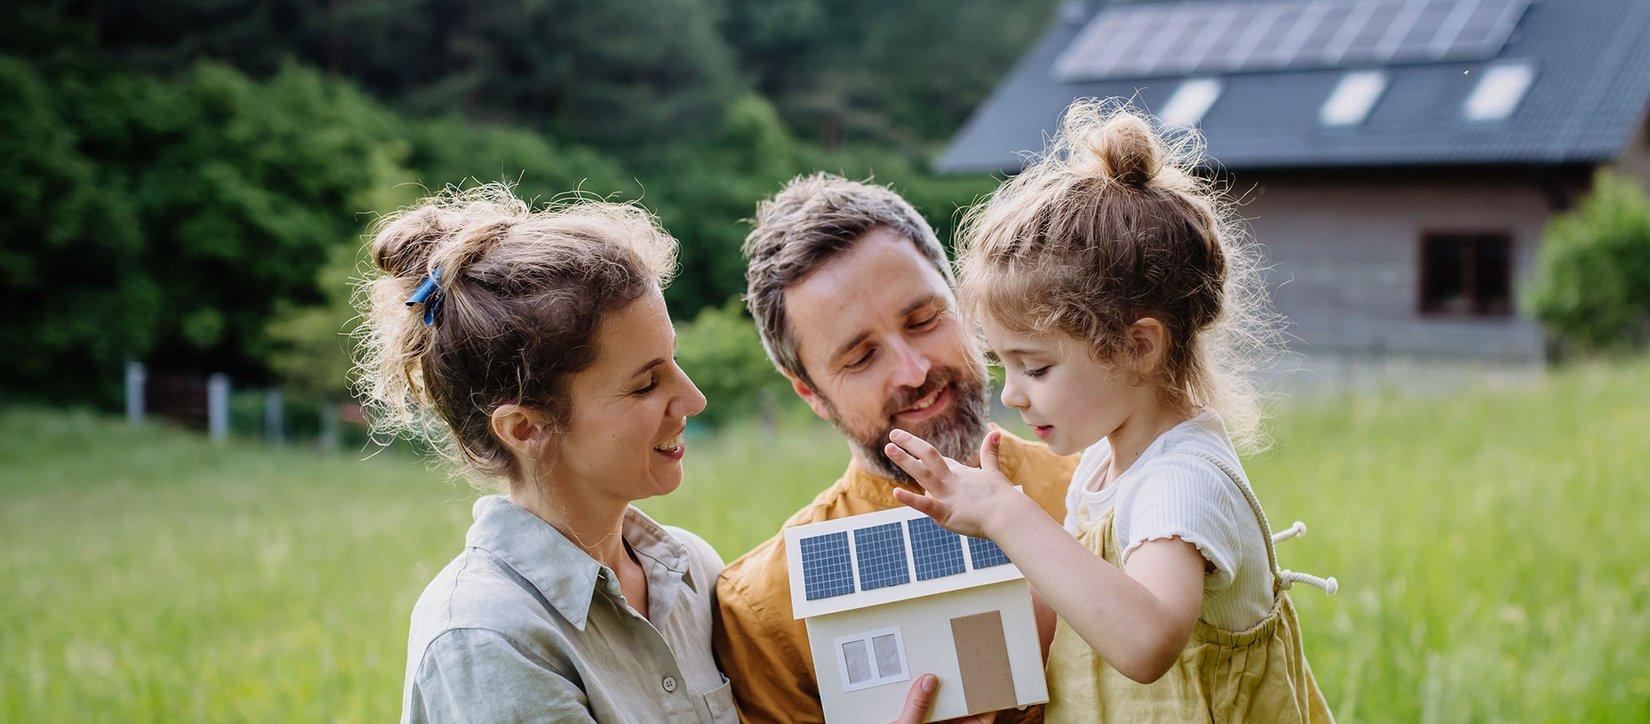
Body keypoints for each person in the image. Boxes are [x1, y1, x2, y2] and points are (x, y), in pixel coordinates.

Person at [359, 185, 947, 723]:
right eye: (645, 384)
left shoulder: (692, 572)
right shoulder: (487, 637)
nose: (692, 398)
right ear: (525, 427)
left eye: (674, 360)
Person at [884, 101, 1336, 722]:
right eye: (1003, 366)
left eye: (1036, 368)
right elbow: (1078, 613)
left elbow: (1145, 643)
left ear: (1136, 346)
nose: (1012, 395)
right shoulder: (1108, 461)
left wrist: (1005, 512)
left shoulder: (1180, 483)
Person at [714, 174, 1079, 722]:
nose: (914, 371)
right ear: (810, 394)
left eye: (924, 320)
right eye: (861, 357)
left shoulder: (1103, 485)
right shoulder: (766, 608)